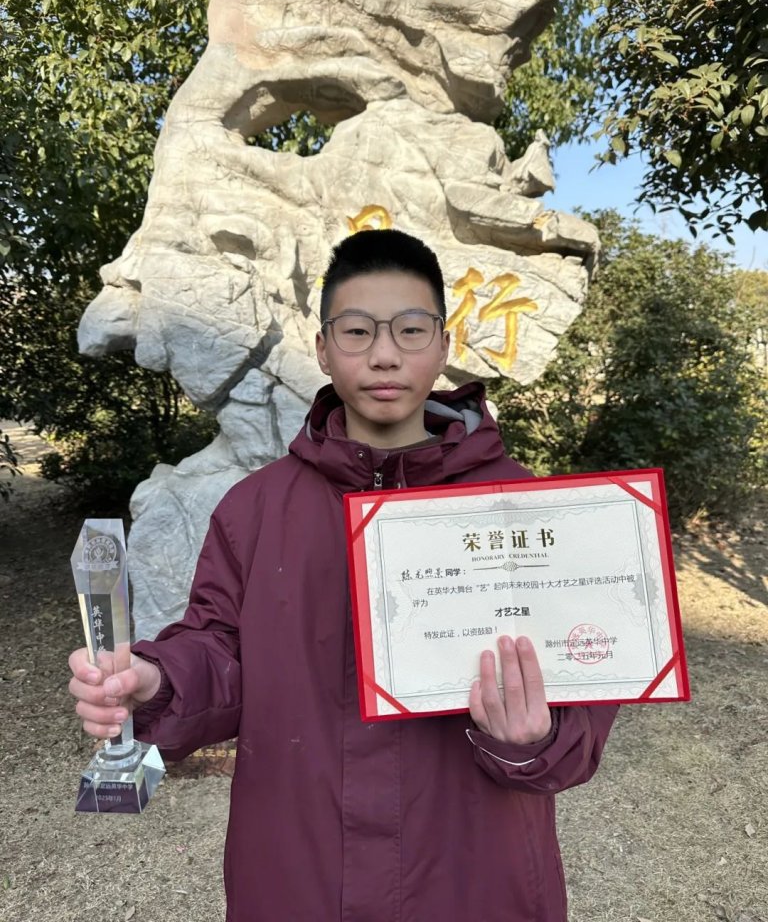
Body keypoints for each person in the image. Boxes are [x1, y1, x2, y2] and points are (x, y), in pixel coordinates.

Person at [69, 229, 618, 922]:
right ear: (324, 349)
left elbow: (581, 693)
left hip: (475, 868)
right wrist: (158, 680)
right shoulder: (255, 508)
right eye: (357, 331)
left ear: (443, 345)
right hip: (299, 870)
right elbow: (218, 645)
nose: (384, 354)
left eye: (410, 329)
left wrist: (532, 739)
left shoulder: (523, 509)